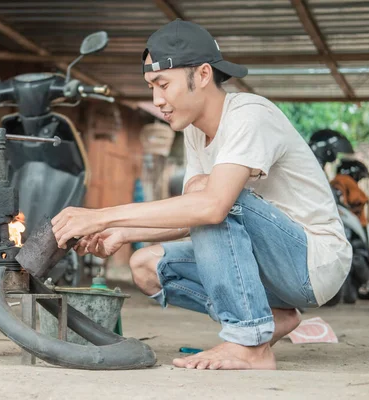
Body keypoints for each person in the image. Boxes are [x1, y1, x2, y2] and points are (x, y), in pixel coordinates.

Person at [51, 19, 351, 370]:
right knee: (146, 265)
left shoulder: (249, 116)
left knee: (209, 196)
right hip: (269, 264)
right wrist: (123, 233)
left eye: (163, 84)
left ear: (204, 74)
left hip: (312, 262)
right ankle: (271, 316)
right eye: (151, 87)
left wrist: (100, 214)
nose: (157, 99)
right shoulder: (195, 132)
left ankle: (250, 343)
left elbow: (212, 207)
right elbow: (196, 217)